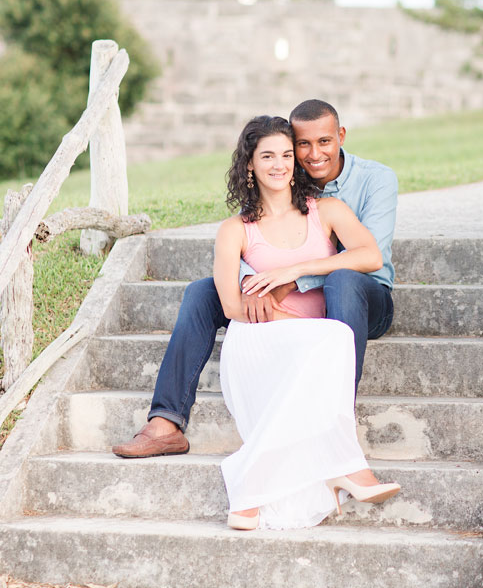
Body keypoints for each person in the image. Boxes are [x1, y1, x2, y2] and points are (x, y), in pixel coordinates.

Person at [112, 99, 397, 460]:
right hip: (295, 309)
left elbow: (373, 258)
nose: (310, 156)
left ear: (341, 137)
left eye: (322, 143)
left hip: (364, 294)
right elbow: (247, 257)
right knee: (202, 292)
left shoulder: (369, 184)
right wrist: (254, 283)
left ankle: (336, 419)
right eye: (300, 147)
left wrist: (293, 274)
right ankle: (165, 423)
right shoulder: (253, 214)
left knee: (342, 279)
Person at [211, 115, 399, 530]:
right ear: (249, 165)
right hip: (260, 338)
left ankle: (251, 492)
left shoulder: (327, 210)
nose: (279, 164)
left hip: (311, 342)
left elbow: (370, 256)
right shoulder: (233, 230)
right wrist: (276, 315)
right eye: (267, 156)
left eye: (284, 155)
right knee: (331, 339)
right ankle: (348, 469)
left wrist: (298, 270)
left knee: (332, 338)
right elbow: (228, 305)